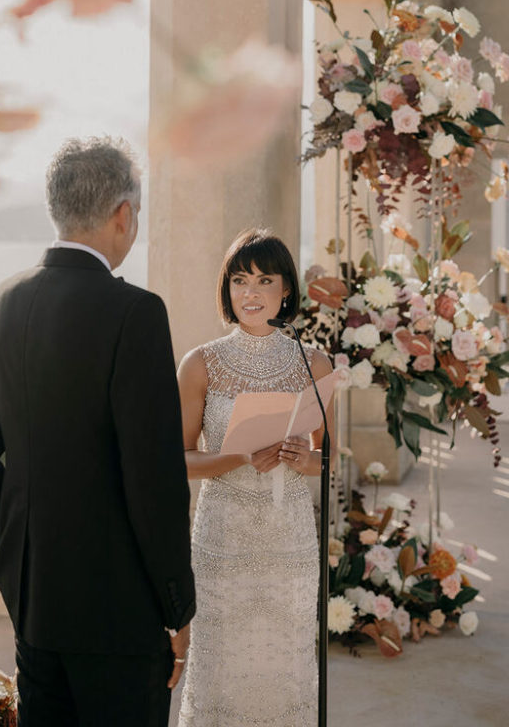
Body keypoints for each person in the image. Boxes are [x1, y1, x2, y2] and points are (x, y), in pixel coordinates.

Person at [0, 137, 195, 727]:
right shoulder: (136, 313)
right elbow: (153, 476)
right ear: (123, 213)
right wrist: (177, 606)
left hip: (34, 604)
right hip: (121, 610)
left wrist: (9, 570)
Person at [176, 228, 334, 727]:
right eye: (240, 280)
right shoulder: (200, 364)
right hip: (221, 544)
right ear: (227, 289)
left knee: (286, 672)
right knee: (221, 673)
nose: (250, 292)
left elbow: (327, 462)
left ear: (285, 289)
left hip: (290, 546)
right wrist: (240, 456)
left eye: (264, 280)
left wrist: (297, 455)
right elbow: (177, 460)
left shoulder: (315, 364)